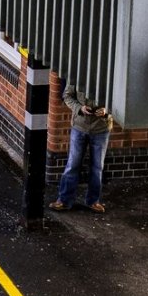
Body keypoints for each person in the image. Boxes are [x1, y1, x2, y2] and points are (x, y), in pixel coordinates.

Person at [52, 85, 112, 214]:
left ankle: (93, 201)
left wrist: (107, 111)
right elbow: (67, 96)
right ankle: (64, 200)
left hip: (101, 129)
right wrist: (80, 108)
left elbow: (121, 101)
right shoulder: (78, 73)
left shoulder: (111, 76)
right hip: (79, 127)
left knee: (97, 167)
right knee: (72, 164)